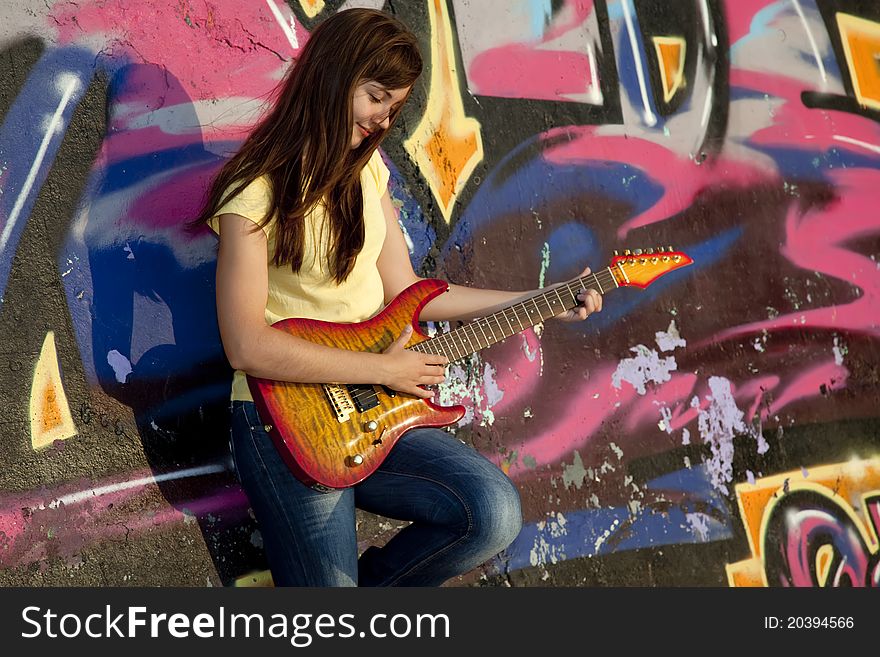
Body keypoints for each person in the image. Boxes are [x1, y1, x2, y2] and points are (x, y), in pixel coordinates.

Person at [192, 8, 603, 587]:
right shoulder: (253, 191)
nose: (382, 119)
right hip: (284, 420)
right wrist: (384, 366)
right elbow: (246, 346)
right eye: (375, 97)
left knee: (492, 512)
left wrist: (543, 299)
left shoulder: (369, 176)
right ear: (332, 78)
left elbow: (410, 295)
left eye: (394, 106)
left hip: (375, 411)